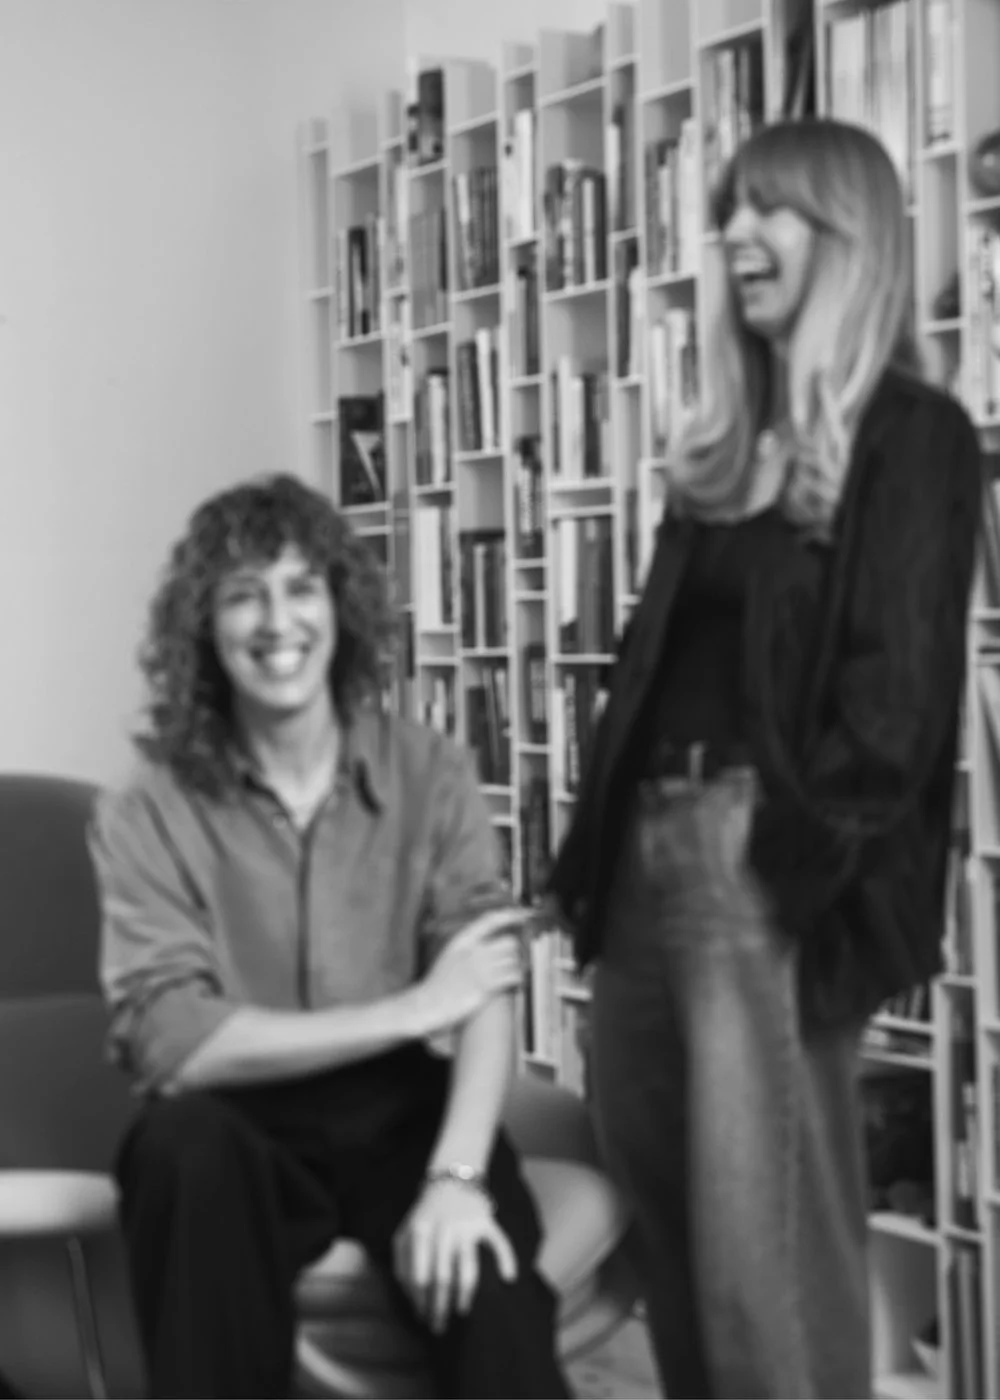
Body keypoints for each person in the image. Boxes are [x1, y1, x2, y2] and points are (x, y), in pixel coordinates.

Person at [548, 117, 983, 1399]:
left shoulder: (912, 434)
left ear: (847, 238)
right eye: (727, 210)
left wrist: (776, 879)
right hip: (644, 863)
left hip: (759, 860)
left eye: (768, 209)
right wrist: (588, 861)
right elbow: (645, 676)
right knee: (668, 1230)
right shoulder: (719, 453)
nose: (734, 233)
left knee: (765, 1266)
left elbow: (895, 704)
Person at [89, 474, 571, 1400]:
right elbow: (176, 1046)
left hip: (401, 1116)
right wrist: (414, 1009)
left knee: (494, 1297)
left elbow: (485, 990)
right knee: (179, 1151)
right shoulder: (144, 812)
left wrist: (458, 1177)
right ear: (204, 628)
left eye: (300, 588)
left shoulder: (431, 771)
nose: (278, 623)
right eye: (243, 595)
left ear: (340, 609)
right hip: (236, 1122)